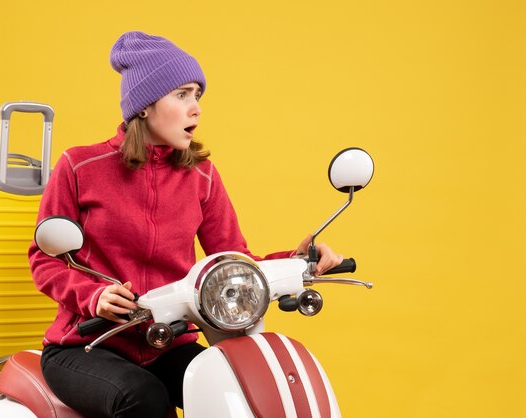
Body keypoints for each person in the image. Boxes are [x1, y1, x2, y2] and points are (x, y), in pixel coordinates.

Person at [28, 31, 343, 418]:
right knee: (143, 397)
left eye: (198, 95)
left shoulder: (202, 176)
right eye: (182, 95)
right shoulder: (79, 166)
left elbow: (233, 260)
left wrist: (300, 260)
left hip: (167, 341)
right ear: (144, 106)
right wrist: (93, 296)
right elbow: (45, 261)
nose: (196, 108)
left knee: (238, 386)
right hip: (87, 345)